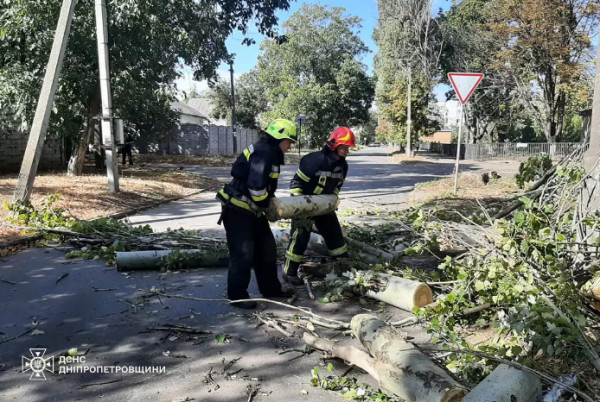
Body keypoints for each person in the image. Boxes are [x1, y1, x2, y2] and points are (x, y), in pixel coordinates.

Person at [216, 119, 297, 309]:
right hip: (237, 209)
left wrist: (267, 203)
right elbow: (256, 186)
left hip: (253, 210)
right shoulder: (264, 153)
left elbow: (266, 186)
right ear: (279, 138)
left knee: (267, 250)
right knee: (243, 254)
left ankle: (270, 289)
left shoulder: (270, 153)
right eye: (289, 141)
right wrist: (269, 207)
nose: (290, 146)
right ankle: (237, 296)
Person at [283, 127, 356, 285]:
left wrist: (332, 202)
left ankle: (344, 267)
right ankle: (289, 273)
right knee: (300, 239)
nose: (346, 151)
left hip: (323, 206)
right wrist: (299, 203)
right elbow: (296, 182)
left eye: (347, 148)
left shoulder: (343, 166)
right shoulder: (314, 160)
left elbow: (337, 187)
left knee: (335, 235)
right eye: (344, 147)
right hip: (305, 205)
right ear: (334, 145)